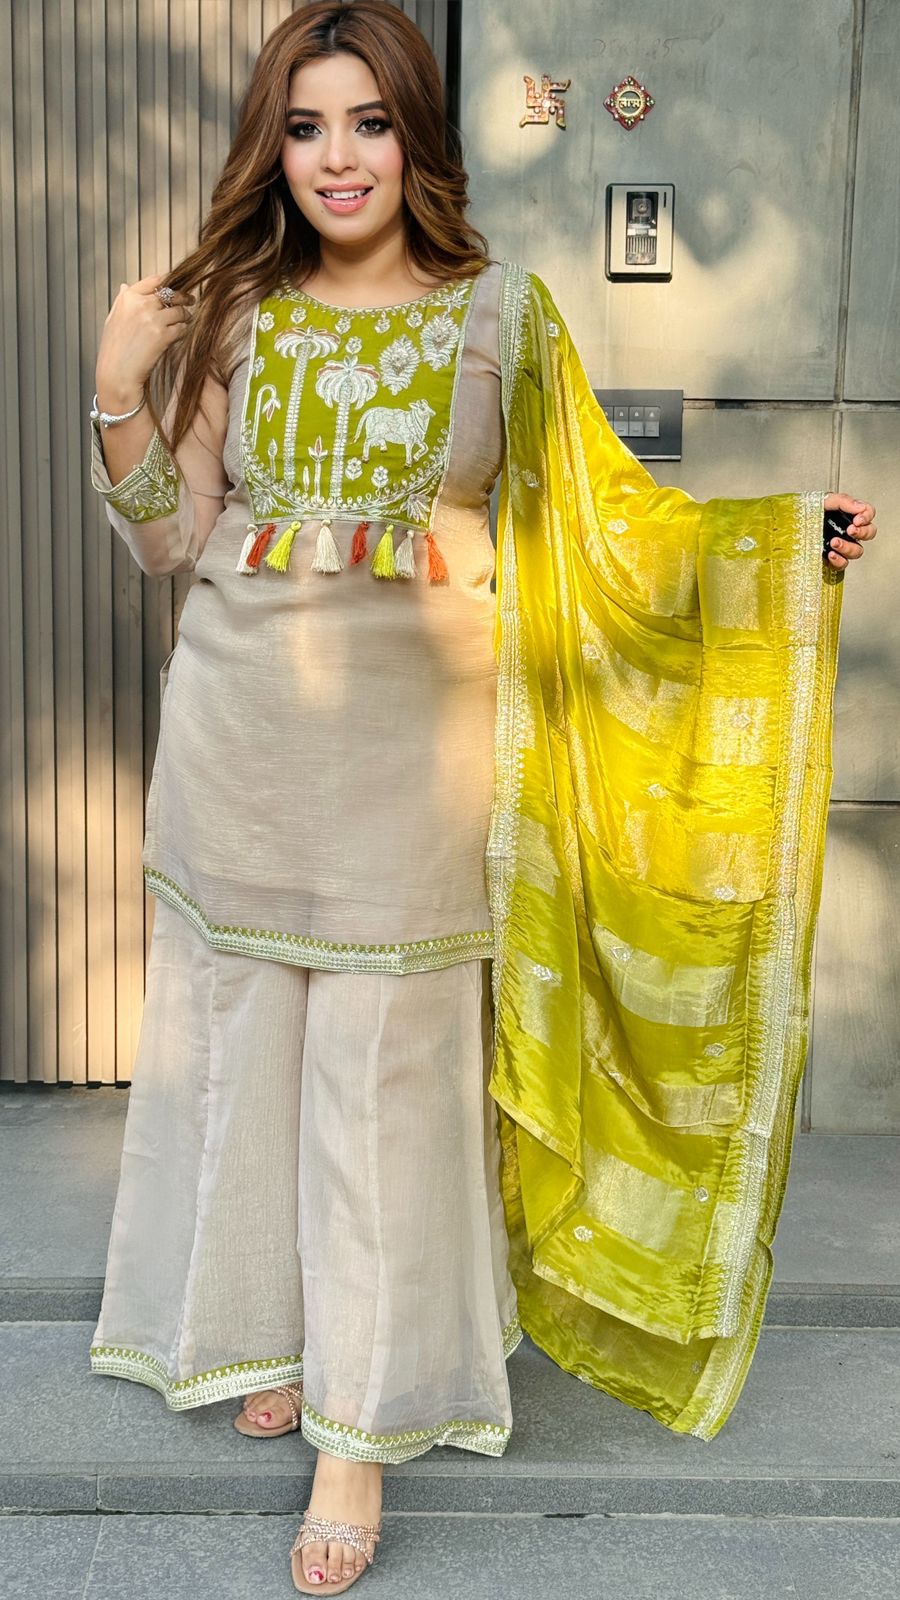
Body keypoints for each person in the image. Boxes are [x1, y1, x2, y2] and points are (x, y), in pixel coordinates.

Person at [86, 2, 877, 1594]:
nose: (338, 159)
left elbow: (604, 523)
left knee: (384, 1089)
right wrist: (118, 387)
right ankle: (280, 1338)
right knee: (256, 1062)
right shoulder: (234, 309)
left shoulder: (503, 313)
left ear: (417, 140)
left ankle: (359, 1436)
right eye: (305, 126)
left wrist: (767, 548)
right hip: (241, 740)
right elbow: (171, 538)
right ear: (274, 149)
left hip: (417, 767)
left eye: (369, 122)